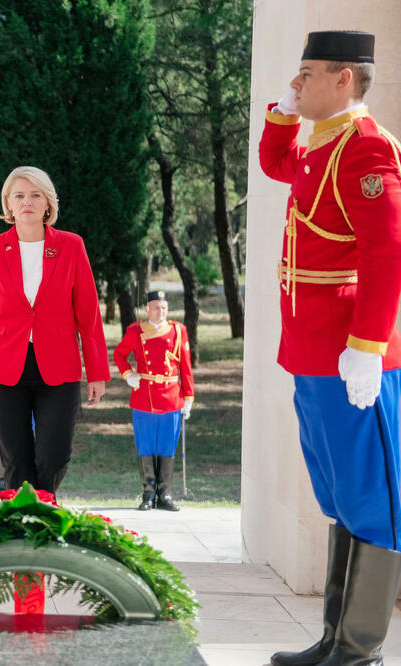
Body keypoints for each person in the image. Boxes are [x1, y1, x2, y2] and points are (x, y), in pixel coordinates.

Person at [260, 31, 401, 665]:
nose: (299, 82)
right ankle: (334, 639)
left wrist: (368, 345)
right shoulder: (321, 145)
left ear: (344, 78)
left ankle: (360, 645)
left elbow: (386, 252)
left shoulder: (368, 148)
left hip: (352, 355)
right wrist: (283, 114)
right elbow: (275, 164)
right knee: (338, 494)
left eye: (308, 74)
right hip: (312, 351)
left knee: (370, 496)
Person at [0, 166, 110, 495]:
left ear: (48, 203)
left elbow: (88, 314)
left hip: (58, 368)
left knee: (54, 457)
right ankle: (24, 526)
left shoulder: (71, 246)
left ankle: (42, 508)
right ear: (8, 205)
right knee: (15, 459)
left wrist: (97, 371)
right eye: (19, 196)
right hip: (1, 369)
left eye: (35, 195)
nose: (26, 201)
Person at [112, 291, 194, 512]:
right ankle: (148, 492)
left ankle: (164, 493)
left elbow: (185, 366)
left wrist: (188, 397)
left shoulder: (178, 331)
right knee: (146, 446)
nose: (161, 311)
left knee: (167, 446)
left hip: (171, 396)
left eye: (164, 307)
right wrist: (129, 375)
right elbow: (119, 355)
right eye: (156, 307)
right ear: (147, 309)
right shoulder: (135, 331)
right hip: (144, 396)